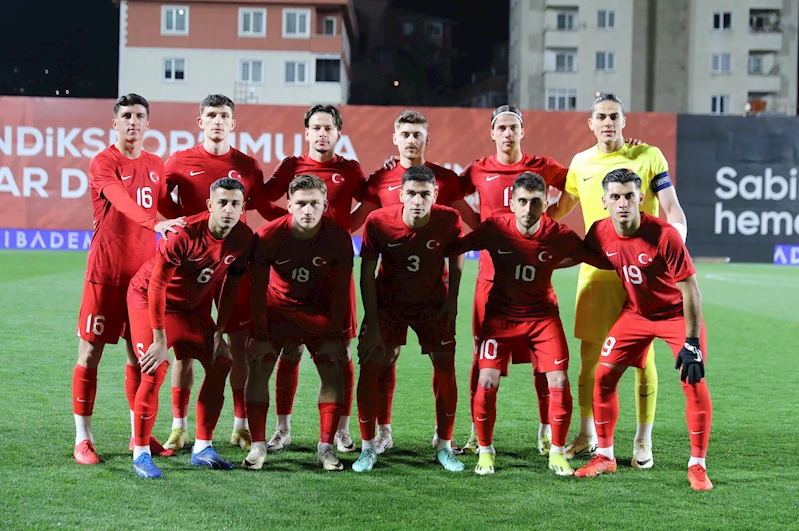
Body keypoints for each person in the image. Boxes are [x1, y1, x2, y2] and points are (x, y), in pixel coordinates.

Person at [548, 93, 688, 468]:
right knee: (589, 359)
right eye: (600, 117)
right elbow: (560, 210)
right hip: (596, 273)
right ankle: (587, 433)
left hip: (641, 279)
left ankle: (643, 440)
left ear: (624, 121)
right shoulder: (580, 163)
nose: (607, 122)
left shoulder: (648, 156)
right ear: (590, 124)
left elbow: (672, 208)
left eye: (614, 116)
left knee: (645, 361)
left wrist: (674, 251)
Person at [572, 169, 712, 492]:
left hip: (676, 316)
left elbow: (690, 289)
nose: (623, 203)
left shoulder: (665, 236)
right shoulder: (599, 232)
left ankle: (698, 465)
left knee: (693, 380)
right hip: (635, 314)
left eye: (629, 196)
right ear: (604, 201)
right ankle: (605, 456)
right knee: (603, 376)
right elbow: (582, 252)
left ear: (641, 200)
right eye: (616, 197)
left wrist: (692, 341)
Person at [349, 109, 478, 455]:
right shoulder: (379, 180)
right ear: (395, 138)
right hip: (390, 290)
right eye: (404, 134)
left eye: (417, 134)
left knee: (443, 360)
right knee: (385, 356)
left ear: (427, 139)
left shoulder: (446, 180)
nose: (411, 140)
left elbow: (470, 224)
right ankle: (383, 432)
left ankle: (443, 435)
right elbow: (359, 221)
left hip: (432, 291)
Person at [162, 94, 284, 453]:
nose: (217, 121)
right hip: (191, 268)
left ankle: (240, 426)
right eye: (211, 115)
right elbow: (161, 201)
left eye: (224, 115)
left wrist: (296, 225)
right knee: (184, 352)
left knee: (238, 347)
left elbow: (261, 205)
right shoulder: (180, 161)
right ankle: (178, 427)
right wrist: (172, 225)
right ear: (200, 122)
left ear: (233, 123)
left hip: (234, 264)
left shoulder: (247, 165)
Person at [72, 93, 186, 465]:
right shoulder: (103, 162)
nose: (133, 122)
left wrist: (208, 216)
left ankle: (140, 434)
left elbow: (166, 209)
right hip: (105, 274)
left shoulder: (156, 165)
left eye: (140, 116)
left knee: (141, 360)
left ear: (148, 124)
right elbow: (122, 201)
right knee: (90, 354)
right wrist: (157, 223)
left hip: (141, 279)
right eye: (127, 116)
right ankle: (83, 439)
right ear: (115, 123)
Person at [449, 172, 583, 476]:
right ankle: (485, 451)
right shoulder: (496, 227)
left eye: (535, 201)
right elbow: (455, 246)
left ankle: (557, 453)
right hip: (500, 316)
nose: (528, 208)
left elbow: (593, 255)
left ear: (546, 203)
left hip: (542, 317)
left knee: (558, 381)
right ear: (512, 202)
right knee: (486, 381)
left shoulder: (559, 233)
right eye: (522, 201)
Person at [457, 105, 569, 455]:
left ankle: (547, 429)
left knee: (544, 361)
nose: (508, 133)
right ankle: (478, 434)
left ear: (523, 131)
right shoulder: (478, 169)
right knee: (482, 359)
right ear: (492, 133)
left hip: (534, 280)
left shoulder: (543, 167)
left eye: (513, 127)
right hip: (490, 280)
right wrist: (478, 223)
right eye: (502, 127)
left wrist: (549, 218)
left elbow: (579, 185)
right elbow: (451, 193)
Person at [126, 177, 254, 479]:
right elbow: (157, 285)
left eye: (235, 204)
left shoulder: (244, 238)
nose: (228, 209)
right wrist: (159, 339)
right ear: (210, 205)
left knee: (221, 361)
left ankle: (202, 448)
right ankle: (141, 453)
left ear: (243, 207)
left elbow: (232, 283)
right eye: (222, 202)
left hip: (192, 309)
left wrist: (219, 331)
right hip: (150, 301)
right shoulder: (182, 234)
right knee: (154, 368)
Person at [261, 105, 367, 454]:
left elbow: (371, 202)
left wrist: (340, 231)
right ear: (306, 132)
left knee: (342, 353)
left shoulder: (349, 169)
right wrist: (290, 227)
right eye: (316, 127)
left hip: (335, 273)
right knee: (288, 353)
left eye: (329, 128)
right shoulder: (291, 166)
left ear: (339, 133)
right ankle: (282, 428)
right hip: (294, 273)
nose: (322, 133)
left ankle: (341, 429)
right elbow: (263, 202)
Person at [352, 165, 465, 473]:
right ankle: (367, 448)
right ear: (400, 195)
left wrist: (452, 302)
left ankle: (444, 445)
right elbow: (365, 274)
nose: (418, 200)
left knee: (445, 368)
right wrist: (372, 322)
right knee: (371, 366)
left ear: (435, 196)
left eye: (425, 194)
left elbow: (455, 260)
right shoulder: (378, 221)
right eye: (412, 194)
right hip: (388, 304)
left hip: (433, 304)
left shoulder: (449, 219)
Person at [244, 174, 354, 472]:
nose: (308, 210)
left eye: (314, 204)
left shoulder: (338, 238)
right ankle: (257, 446)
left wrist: (334, 335)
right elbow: (256, 291)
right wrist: (260, 333)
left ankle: (326, 447)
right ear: (289, 204)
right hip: (277, 311)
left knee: (333, 374)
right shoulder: (268, 236)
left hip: (318, 312)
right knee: (258, 369)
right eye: (301, 203)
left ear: (325, 205)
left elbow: (342, 291)